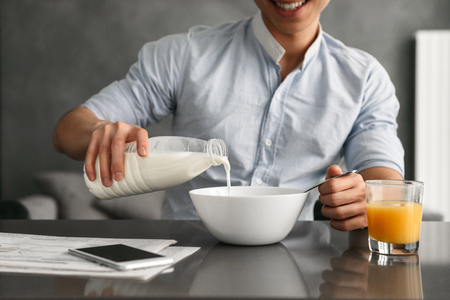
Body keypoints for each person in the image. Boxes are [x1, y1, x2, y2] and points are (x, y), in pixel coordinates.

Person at [53, 0, 404, 231]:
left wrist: (369, 196)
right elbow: (68, 132)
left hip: (301, 266)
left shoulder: (365, 78)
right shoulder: (184, 55)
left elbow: (384, 174)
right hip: (185, 260)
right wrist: (100, 130)